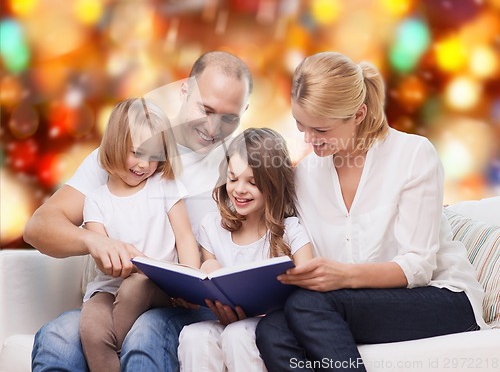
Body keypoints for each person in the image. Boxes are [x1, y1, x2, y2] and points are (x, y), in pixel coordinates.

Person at [255, 52, 487, 371]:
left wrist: (343, 276)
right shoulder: (305, 175)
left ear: (359, 114)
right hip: (347, 304)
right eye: (301, 125)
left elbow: (418, 266)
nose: (309, 140)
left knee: (308, 306)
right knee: (272, 330)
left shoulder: (412, 155)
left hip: (441, 297)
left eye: (321, 130)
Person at [24, 51, 252, 372]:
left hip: (184, 305)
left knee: (145, 333)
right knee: (58, 338)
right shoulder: (121, 154)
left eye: (229, 118)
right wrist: (94, 242)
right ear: (184, 90)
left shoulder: (241, 170)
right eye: (207, 109)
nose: (214, 127)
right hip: (114, 297)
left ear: (245, 112)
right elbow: (39, 228)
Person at [79, 98, 200, 372]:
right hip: (109, 287)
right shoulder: (96, 200)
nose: (144, 164)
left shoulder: (165, 184)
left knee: (136, 286)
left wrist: (190, 282)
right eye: (136, 152)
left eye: (154, 155)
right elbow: (102, 256)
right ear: (114, 145)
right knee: (91, 328)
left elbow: (185, 238)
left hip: (159, 286)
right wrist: (127, 258)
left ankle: (119, 348)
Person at [178, 128, 313, 372]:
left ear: (273, 185)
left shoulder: (291, 230)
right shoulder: (212, 226)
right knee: (194, 335)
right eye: (232, 178)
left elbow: (309, 290)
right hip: (224, 320)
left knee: (239, 334)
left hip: (273, 325)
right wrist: (208, 267)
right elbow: (210, 281)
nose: (239, 189)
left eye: (252, 182)